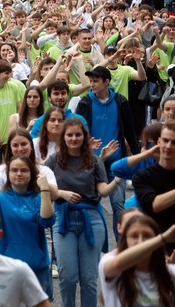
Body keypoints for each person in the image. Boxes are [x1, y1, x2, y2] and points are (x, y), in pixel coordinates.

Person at [45, 118, 120, 307]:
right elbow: (43, 186)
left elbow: (102, 190)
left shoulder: (94, 160)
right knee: (67, 276)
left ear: (84, 137)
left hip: (91, 218)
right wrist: (62, 193)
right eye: (69, 135)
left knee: (89, 278)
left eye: (78, 135)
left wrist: (117, 181)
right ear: (63, 137)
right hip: (63, 218)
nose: (73, 138)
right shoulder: (54, 160)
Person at [0, 154, 55, 299]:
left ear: (32, 174)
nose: (19, 173)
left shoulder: (38, 199)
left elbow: (47, 221)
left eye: (24, 170)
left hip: (37, 268)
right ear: (8, 174)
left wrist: (45, 190)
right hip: (5, 269)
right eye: (14, 170)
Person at [76, 66, 140, 240]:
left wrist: (137, 157)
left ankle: (121, 245)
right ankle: (92, 243)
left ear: (106, 82)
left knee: (118, 203)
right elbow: (76, 131)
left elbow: (130, 131)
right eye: (91, 81)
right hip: (92, 162)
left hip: (116, 163)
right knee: (89, 203)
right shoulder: (85, 102)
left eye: (96, 81)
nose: (92, 84)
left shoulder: (121, 101)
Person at [98, 216, 175, 307]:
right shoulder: (108, 261)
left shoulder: (169, 271)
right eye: (134, 236)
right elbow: (117, 264)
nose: (140, 241)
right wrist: (164, 238)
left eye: (147, 235)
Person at [133, 121, 175, 252]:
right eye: (165, 140)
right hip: (154, 247)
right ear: (158, 142)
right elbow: (155, 205)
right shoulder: (143, 177)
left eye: (174, 142)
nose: (168, 146)